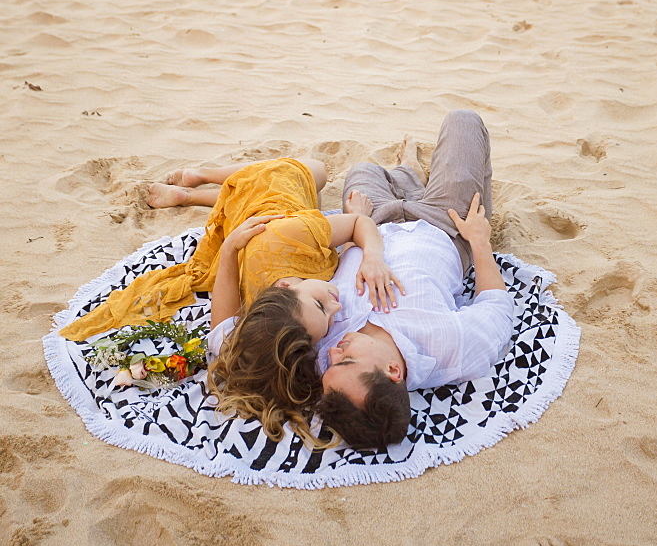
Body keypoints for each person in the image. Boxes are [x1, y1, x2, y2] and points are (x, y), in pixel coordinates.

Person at [61, 154, 403, 446]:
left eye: (323, 310)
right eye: (324, 312)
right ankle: (197, 183)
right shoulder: (275, 304)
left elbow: (356, 226)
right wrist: (360, 229)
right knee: (310, 172)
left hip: (275, 209)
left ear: (284, 288)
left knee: (312, 170)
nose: (337, 305)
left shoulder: (278, 311)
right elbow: (357, 225)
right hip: (271, 218)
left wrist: (228, 250)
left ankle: (196, 182)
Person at [314, 110, 515, 451]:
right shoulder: (452, 350)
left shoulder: (323, 349)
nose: (333, 352)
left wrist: (354, 227)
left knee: (364, 172)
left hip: (369, 221)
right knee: (463, 122)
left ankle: (408, 175)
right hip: (446, 224)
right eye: (346, 361)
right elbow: (496, 305)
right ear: (394, 370)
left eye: (329, 366)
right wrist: (480, 240)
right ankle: (417, 182)